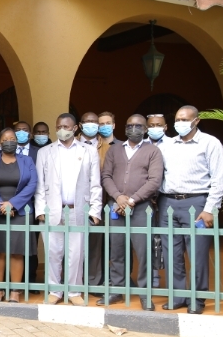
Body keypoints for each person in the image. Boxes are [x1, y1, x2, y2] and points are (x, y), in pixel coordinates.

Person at [157, 106, 223, 314]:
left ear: (196, 121)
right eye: (178, 119)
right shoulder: (167, 145)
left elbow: (219, 180)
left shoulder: (210, 143)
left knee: (197, 254)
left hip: (196, 203)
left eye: (185, 119)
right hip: (168, 202)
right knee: (172, 253)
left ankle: (197, 299)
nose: (180, 123)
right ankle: (178, 296)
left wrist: (209, 209)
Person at [35, 113, 102, 306]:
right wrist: (40, 209)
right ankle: (54, 290)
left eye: (66, 126)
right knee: (53, 252)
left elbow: (95, 184)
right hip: (52, 210)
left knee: (76, 253)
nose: (61, 130)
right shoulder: (45, 152)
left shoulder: (89, 151)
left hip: (77, 209)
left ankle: (74, 292)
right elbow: (40, 184)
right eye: (58, 126)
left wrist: (95, 210)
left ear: (75, 129)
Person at [99, 115, 163, 311]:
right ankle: (117, 289)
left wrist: (132, 200)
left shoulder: (153, 151)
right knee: (117, 251)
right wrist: (118, 197)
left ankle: (145, 293)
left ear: (145, 130)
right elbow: (106, 176)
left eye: (138, 126)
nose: (133, 129)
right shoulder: (114, 150)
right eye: (130, 126)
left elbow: (154, 181)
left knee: (143, 252)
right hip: (116, 208)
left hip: (141, 208)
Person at [0, 128, 38, 304]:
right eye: (5, 139)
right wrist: (0, 203)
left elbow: (32, 184)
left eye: (12, 138)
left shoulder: (27, 160)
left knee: (17, 252)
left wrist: (14, 204)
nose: (10, 141)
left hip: (21, 212)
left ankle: (15, 292)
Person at [77, 111, 119, 295]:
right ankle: (72, 281)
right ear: (80, 125)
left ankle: (93, 281)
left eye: (96, 122)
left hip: (98, 202)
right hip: (74, 201)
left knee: (95, 244)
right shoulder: (72, 144)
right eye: (88, 122)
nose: (93, 125)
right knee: (73, 243)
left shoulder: (107, 147)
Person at [145, 113, 170, 288]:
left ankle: (172, 282)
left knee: (166, 239)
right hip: (144, 199)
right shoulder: (141, 145)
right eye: (152, 125)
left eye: (159, 125)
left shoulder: (174, 145)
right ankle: (151, 278)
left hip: (165, 198)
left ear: (166, 127)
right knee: (147, 239)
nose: (155, 128)